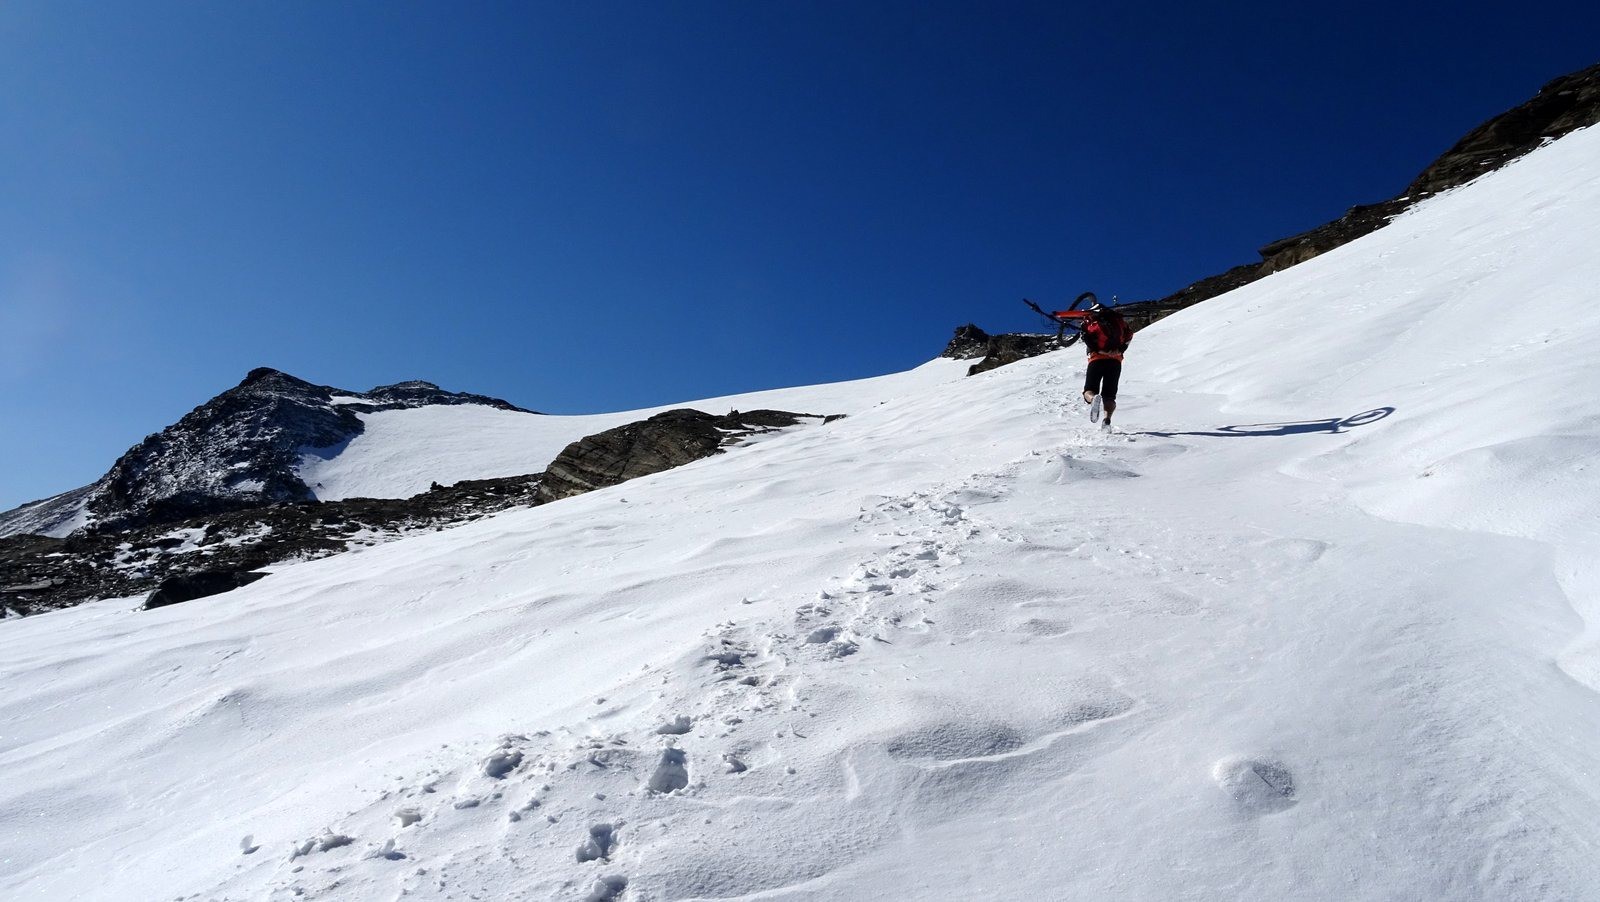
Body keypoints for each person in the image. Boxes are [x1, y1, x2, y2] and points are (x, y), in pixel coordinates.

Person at [1051, 299, 1133, 429]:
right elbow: (1129, 336)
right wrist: (1119, 350)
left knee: (1088, 391)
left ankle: (1093, 398)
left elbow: (1086, 338)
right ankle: (1107, 420)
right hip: (1115, 361)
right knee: (1110, 396)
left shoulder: (1089, 322)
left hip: (1096, 359)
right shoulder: (1119, 322)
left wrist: (1099, 350)